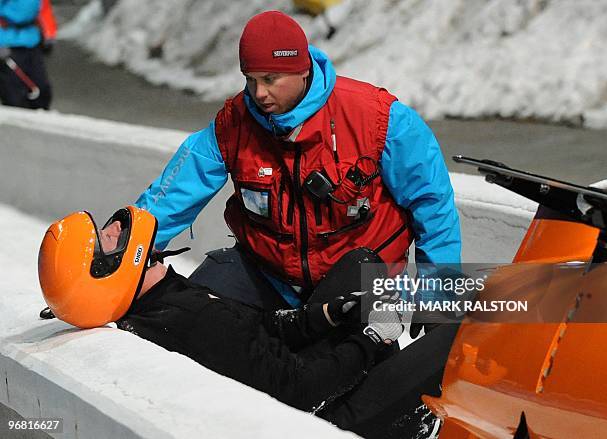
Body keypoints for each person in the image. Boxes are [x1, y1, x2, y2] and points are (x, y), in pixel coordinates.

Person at [135, 10, 461, 311]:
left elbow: (433, 202)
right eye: (250, 79)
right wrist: (123, 248)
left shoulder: (379, 119)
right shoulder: (233, 124)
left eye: (271, 79)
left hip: (361, 288)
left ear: (302, 70)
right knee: (188, 315)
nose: (259, 93)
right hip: (270, 279)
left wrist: (439, 296)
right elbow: (171, 196)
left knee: (343, 369)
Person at [38, 206, 459, 438]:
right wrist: (368, 340)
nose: (116, 227)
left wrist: (325, 316)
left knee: (361, 264)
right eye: (107, 238)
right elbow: (299, 390)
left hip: (297, 376)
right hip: (325, 418)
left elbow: (263, 331)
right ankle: (408, 420)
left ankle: (394, 372)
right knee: (463, 330)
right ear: (106, 273)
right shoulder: (192, 320)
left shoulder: (164, 298)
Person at [0, 0, 52, 109]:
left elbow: (44, 10)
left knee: (41, 89)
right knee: (13, 94)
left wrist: (49, 34)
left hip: (32, 42)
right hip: (8, 43)